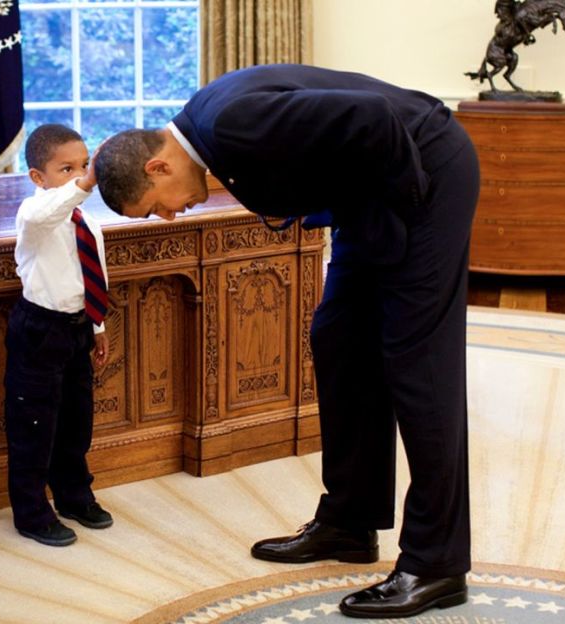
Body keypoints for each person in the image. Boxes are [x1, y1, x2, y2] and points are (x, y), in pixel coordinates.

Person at [94, 64, 478, 619]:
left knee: (420, 367)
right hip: (375, 194)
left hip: (424, 176)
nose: (169, 214)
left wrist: (406, 213)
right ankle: (350, 522)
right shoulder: (211, 131)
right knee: (339, 340)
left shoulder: (231, 123)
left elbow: (376, 117)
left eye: (155, 204)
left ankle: (437, 564)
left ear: (157, 165)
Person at [5, 124, 113, 547]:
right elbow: (44, 212)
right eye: (65, 168)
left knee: (75, 419)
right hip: (39, 330)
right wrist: (85, 184)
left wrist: (98, 326)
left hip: (77, 329)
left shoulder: (86, 221)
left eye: (83, 166)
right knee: (34, 423)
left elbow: (94, 273)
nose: (78, 175)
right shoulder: (33, 217)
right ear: (38, 177)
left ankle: (74, 495)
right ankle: (31, 512)